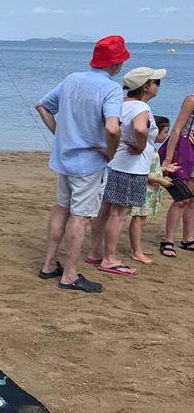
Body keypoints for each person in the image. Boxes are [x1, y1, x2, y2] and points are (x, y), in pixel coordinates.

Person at [34, 35, 128, 293]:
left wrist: (60, 137)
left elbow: (42, 106)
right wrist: (110, 152)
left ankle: (48, 264)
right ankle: (70, 275)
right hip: (88, 163)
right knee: (81, 216)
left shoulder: (72, 79)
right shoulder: (111, 89)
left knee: (61, 209)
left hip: (64, 159)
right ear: (117, 64)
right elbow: (112, 128)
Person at [89, 67, 167, 277]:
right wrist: (141, 146)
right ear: (146, 86)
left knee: (105, 210)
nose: (158, 86)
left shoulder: (120, 103)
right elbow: (141, 129)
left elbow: (108, 127)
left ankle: (96, 252)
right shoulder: (141, 107)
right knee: (119, 213)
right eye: (155, 82)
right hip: (131, 168)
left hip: (114, 163)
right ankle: (109, 258)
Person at [129, 115, 173, 264]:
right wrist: (161, 180)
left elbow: (152, 169)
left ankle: (136, 247)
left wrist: (164, 170)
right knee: (138, 220)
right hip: (143, 189)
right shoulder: (146, 148)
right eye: (165, 131)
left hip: (150, 190)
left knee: (142, 220)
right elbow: (144, 173)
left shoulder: (151, 148)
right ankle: (136, 251)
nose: (167, 135)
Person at [158, 88, 194, 257]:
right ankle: (168, 240)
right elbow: (176, 129)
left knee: (192, 200)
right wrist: (168, 158)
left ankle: (188, 238)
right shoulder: (191, 100)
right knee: (182, 198)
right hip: (185, 152)